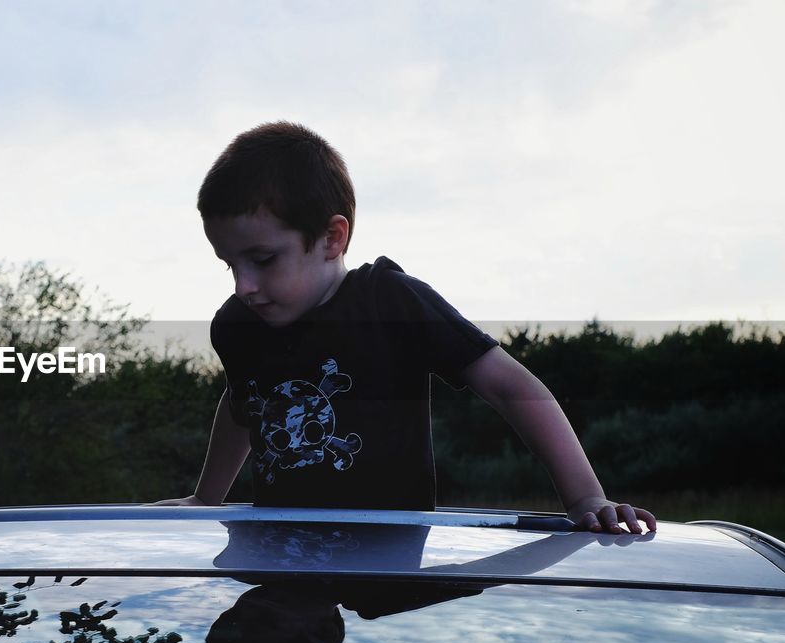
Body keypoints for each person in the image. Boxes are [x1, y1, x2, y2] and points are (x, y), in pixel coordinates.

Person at [155, 121, 655, 534]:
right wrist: (207, 498)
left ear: (332, 238)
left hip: (391, 567)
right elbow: (244, 404)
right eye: (229, 264)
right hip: (279, 557)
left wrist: (586, 496)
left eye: (263, 259)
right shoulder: (239, 326)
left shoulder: (391, 301)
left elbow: (509, 385)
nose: (244, 285)